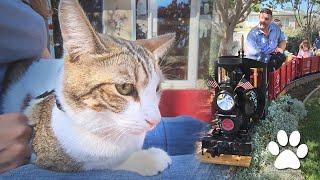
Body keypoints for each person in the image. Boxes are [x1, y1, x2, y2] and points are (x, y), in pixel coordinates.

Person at [0, 1, 222, 179]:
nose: (155, 117)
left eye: (156, 89)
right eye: (125, 87)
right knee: (219, 171)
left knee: (194, 129)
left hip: (61, 90)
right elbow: (50, 154)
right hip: (13, 144)